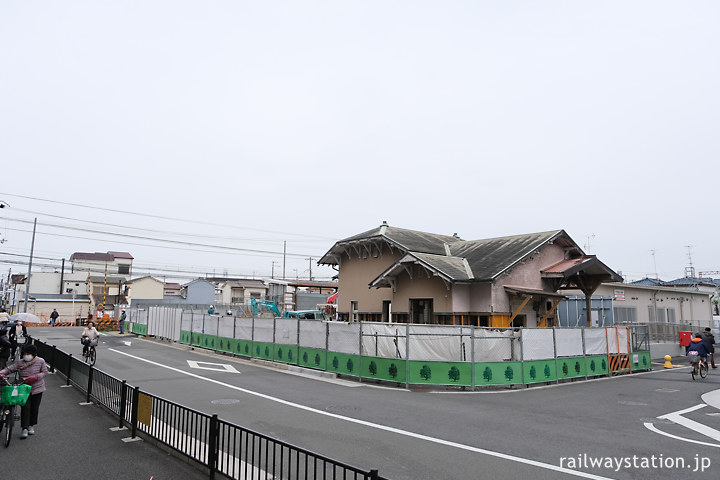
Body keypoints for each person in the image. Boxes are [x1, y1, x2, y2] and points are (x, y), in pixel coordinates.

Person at [0, 344, 48, 439]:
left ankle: (31, 426)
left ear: (33, 355)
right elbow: (10, 369)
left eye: (28, 354)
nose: (26, 355)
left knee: (34, 408)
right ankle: (24, 428)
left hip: (37, 388)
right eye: (25, 353)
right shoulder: (20, 362)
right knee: (26, 408)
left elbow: (44, 372)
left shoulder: (40, 361)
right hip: (23, 389)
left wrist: (36, 377)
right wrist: (1, 373)